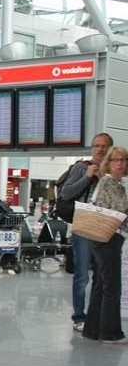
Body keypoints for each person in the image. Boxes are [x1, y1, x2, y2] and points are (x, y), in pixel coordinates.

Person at [61, 132, 113, 332]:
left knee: (101, 275)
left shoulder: (113, 172)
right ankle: (79, 317)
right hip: (83, 225)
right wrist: (87, 177)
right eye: (97, 145)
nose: (100, 149)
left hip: (104, 227)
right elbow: (67, 193)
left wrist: (103, 179)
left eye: (104, 146)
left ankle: (96, 314)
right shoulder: (81, 167)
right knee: (82, 274)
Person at [81, 145, 128, 344]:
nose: (119, 163)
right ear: (108, 163)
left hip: (102, 239)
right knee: (112, 287)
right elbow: (120, 210)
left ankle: (92, 330)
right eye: (115, 160)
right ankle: (111, 333)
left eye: (123, 160)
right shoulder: (111, 183)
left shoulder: (111, 182)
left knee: (101, 284)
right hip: (109, 237)